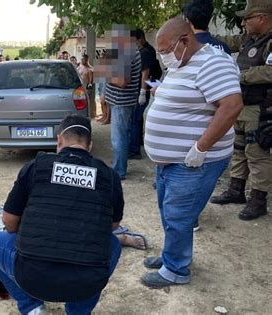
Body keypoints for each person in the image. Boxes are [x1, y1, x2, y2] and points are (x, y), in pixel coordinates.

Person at [0, 115, 124, 315]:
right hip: (85, 282)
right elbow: (113, 226)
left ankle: (32, 308)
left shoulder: (36, 166)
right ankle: (78, 311)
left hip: (31, 277)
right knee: (113, 245)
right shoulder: (109, 177)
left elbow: (9, 222)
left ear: (59, 140)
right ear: (90, 145)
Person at [141, 17, 244, 288]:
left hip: (194, 162)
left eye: (165, 51)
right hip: (172, 162)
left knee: (178, 215)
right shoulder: (183, 61)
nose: (163, 57)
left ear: (184, 41)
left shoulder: (214, 63)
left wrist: (201, 148)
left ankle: (175, 270)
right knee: (169, 212)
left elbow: (231, 106)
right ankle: (171, 256)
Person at [210, 0, 272, 220]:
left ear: (262, 18)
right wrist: (201, 35)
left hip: (260, 107)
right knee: (238, 149)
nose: (243, 22)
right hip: (242, 105)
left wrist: (241, 76)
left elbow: (269, 72)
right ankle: (236, 190)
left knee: (257, 154)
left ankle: (258, 200)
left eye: (248, 18)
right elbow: (227, 42)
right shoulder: (249, 39)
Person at [103, 30, 142, 180]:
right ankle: (120, 167)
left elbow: (122, 82)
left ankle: (119, 171)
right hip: (125, 101)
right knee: (123, 135)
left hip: (121, 102)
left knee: (118, 137)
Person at [129, 29, 162, 160]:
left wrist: (142, 91)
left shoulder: (145, 52)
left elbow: (145, 72)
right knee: (138, 118)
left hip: (144, 88)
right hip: (148, 86)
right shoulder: (148, 50)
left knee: (135, 120)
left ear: (140, 38)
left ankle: (134, 150)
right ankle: (138, 142)